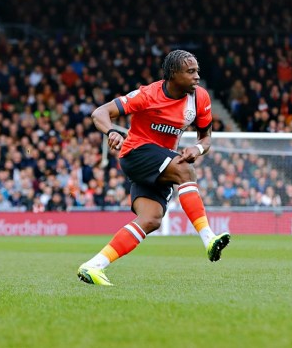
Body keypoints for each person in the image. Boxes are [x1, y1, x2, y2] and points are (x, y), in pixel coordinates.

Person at [77, 50, 231, 286]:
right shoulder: (148, 95)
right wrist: (112, 131)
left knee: (151, 219)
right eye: (190, 71)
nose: (197, 76)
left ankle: (94, 266)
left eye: (197, 71)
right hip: (135, 153)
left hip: (161, 163)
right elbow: (100, 113)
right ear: (173, 74)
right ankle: (208, 238)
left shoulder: (199, 98)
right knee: (185, 171)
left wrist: (197, 150)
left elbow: (206, 138)